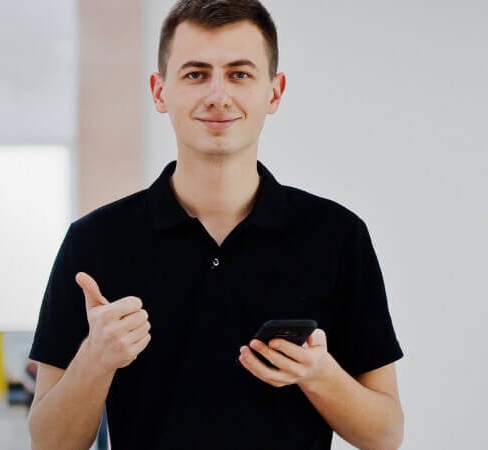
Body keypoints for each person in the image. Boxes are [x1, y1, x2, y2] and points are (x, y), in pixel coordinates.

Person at [27, 1, 404, 449]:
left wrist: (319, 374)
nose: (218, 95)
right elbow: (48, 443)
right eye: (196, 74)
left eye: (239, 74)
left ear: (274, 92)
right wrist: (96, 358)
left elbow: (386, 434)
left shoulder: (338, 236)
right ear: (159, 91)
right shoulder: (93, 242)